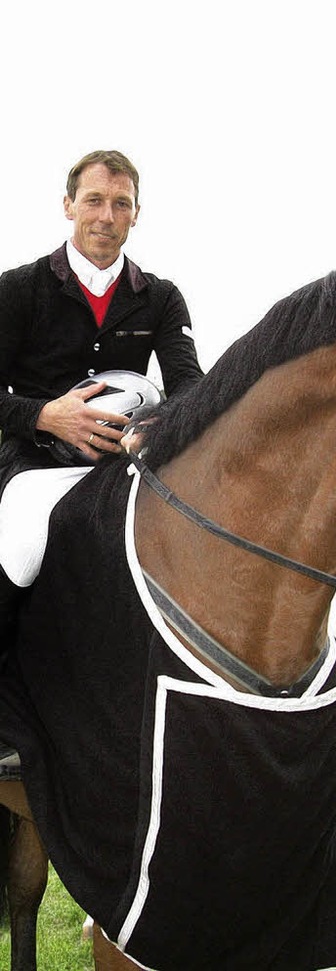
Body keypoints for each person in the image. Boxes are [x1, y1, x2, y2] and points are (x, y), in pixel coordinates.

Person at [0, 149, 204, 663]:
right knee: (22, 546)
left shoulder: (161, 298)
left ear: (137, 213)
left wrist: (155, 428)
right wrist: (46, 415)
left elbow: (188, 385)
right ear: (68, 205)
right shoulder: (18, 289)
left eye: (121, 203)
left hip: (123, 465)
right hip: (33, 463)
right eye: (94, 200)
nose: (106, 217)